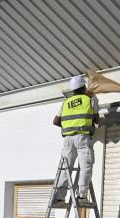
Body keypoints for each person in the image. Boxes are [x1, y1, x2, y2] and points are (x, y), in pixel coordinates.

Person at [52, 75, 100, 209]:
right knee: (86, 166)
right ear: (84, 88)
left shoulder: (65, 103)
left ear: (73, 90)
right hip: (83, 139)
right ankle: (81, 197)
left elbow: (55, 121)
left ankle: (59, 199)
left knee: (65, 170)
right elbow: (97, 120)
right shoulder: (90, 101)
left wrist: (68, 126)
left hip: (67, 140)